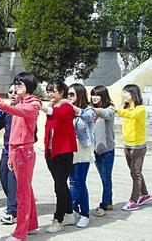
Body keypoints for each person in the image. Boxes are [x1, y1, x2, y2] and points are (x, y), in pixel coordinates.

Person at [0, 72, 41, 241]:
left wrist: (1, 105)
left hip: (24, 152)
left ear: (29, 87)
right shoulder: (22, 103)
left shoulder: (33, 104)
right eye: (16, 84)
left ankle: (20, 233)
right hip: (15, 149)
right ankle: (31, 225)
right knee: (26, 191)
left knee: (22, 194)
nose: (16, 87)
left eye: (20, 84)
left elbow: (20, 111)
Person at [41, 81, 77, 233]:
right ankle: (69, 213)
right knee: (60, 185)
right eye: (48, 91)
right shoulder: (53, 106)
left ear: (62, 92)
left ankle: (58, 218)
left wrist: (43, 107)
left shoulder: (66, 106)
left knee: (59, 185)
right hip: (51, 153)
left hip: (64, 152)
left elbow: (59, 114)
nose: (49, 94)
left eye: (52, 91)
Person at [116, 84, 151, 211]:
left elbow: (130, 115)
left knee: (135, 173)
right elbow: (125, 114)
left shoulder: (140, 109)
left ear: (133, 95)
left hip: (138, 146)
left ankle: (134, 200)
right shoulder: (126, 108)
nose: (123, 95)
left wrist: (115, 109)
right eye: (123, 92)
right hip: (127, 144)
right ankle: (145, 194)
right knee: (135, 172)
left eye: (126, 93)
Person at [67, 83, 95, 228]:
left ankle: (85, 214)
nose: (69, 97)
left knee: (80, 182)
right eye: (67, 94)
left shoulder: (87, 109)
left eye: (71, 94)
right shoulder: (68, 110)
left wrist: (71, 107)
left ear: (80, 94)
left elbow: (87, 117)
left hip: (83, 149)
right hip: (69, 149)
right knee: (72, 181)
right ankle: (73, 210)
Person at [0, 84, 19, 225]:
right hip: (6, 150)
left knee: (12, 180)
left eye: (16, 92)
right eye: (10, 92)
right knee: (3, 176)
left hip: (18, 151)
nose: (13, 95)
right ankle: (14, 204)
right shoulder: (6, 110)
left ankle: (12, 211)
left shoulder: (24, 110)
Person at [90, 85, 115, 217]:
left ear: (103, 96)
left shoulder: (109, 109)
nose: (94, 97)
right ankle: (109, 201)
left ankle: (104, 205)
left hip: (107, 150)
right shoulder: (91, 110)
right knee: (103, 178)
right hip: (95, 150)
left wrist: (93, 110)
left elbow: (105, 113)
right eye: (93, 94)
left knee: (106, 178)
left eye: (97, 95)